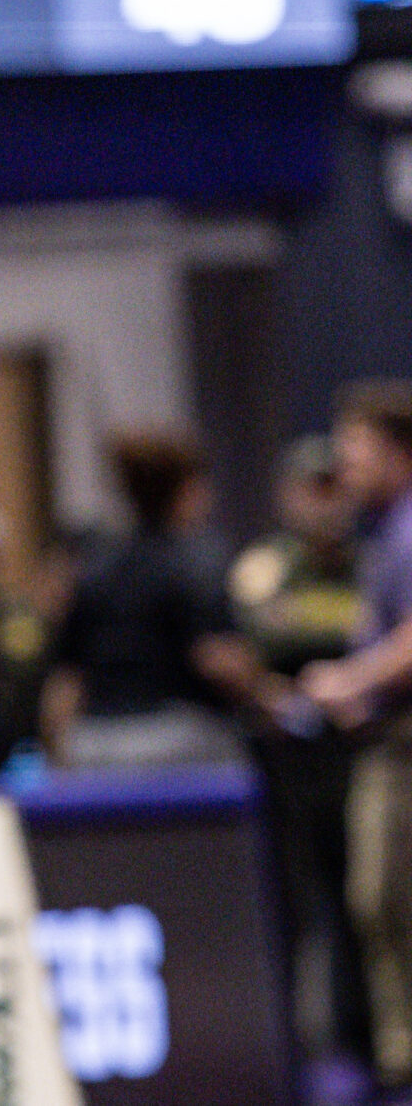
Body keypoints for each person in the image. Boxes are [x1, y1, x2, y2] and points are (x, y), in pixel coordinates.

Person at [235, 436, 373, 1087]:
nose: (325, 501)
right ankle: (290, 1055)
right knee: (286, 910)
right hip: (283, 766)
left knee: (361, 906)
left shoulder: (371, 564)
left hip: (353, 759)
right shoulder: (265, 569)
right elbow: (247, 651)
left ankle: (363, 1046)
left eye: (332, 486)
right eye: (311, 488)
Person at [41, 432, 282, 769]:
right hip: (178, 741)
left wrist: (58, 757)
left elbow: (67, 680)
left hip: (95, 744)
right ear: (187, 489)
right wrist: (274, 701)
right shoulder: (196, 559)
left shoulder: (92, 567)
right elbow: (216, 658)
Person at [305, 383, 412, 1094]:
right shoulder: (382, 532)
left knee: (382, 894)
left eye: (357, 450)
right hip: (383, 736)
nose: (345, 466)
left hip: (403, 745)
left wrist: (353, 679)